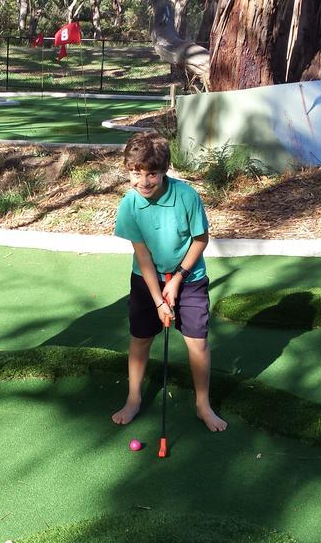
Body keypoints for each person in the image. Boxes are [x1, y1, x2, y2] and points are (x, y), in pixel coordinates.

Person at [111, 132, 227, 432]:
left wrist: (177, 280)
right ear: (128, 171)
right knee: (140, 338)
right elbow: (144, 256)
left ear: (165, 170)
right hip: (146, 279)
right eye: (136, 174)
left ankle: (203, 405)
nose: (144, 182)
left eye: (152, 174)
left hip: (190, 279)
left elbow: (201, 239)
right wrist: (160, 300)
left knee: (197, 343)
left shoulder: (186, 196)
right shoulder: (130, 204)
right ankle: (134, 399)